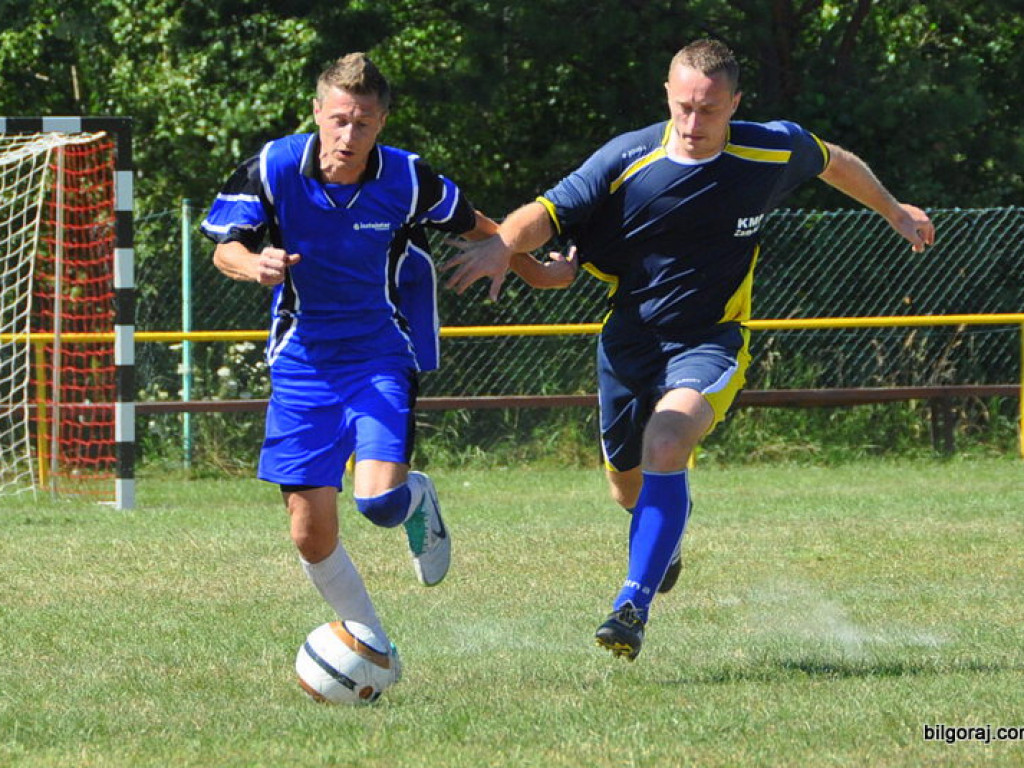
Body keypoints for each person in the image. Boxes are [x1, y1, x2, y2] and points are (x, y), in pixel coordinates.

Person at [443, 38, 935, 661]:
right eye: (682, 107)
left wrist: (892, 211)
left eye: (708, 109)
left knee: (668, 439)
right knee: (628, 488)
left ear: (735, 103)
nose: (693, 123)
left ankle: (631, 606)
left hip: (712, 338)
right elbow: (545, 213)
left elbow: (833, 160)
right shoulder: (626, 158)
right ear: (667, 97)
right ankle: (663, 540)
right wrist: (501, 247)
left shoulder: (769, 148)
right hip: (630, 338)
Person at [200, 53, 553, 665]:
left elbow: (480, 227)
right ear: (316, 112)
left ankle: (414, 499)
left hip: (379, 359)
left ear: (382, 122)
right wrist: (253, 263)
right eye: (338, 119)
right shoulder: (274, 165)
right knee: (310, 535)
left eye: (362, 123)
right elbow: (224, 247)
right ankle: (371, 642)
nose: (347, 134)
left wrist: (534, 270)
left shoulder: (407, 179)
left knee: (378, 504)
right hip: (301, 363)